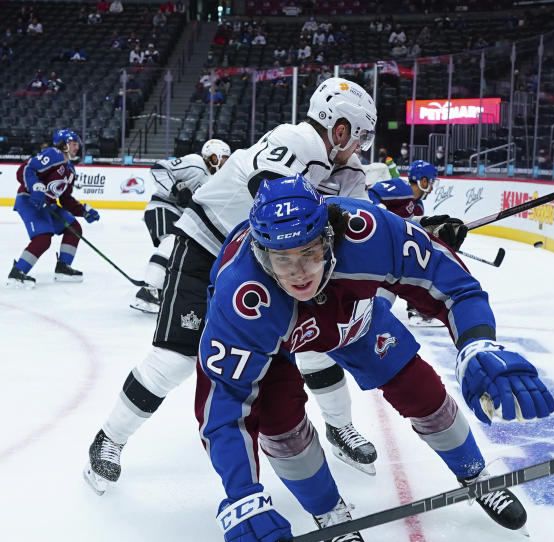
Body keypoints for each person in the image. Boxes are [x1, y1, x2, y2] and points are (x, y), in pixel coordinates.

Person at [199, 175, 554, 542]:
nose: (299, 274)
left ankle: (475, 472)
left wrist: (476, 343)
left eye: (310, 253)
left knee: (424, 394)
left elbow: (454, 286)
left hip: (354, 320)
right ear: (262, 256)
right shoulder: (240, 295)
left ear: (329, 237)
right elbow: (223, 407)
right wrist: (242, 496)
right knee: (281, 428)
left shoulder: (369, 230)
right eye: (283, 259)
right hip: (274, 344)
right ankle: (328, 511)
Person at [84, 78, 380, 494]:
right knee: (175, 358)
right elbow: (274, 199)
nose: (362, 146)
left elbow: (367, 228)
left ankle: (340, 428)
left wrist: (422, 233)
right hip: (209, 245)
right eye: (361, 135)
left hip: (270, 261)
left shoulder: (347, 170)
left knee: (315, 345)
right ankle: (109, 439)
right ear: (340, 128)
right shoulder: (296, 139)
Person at [130, 139, 231, 314]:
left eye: (226, 160)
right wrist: (175, 190)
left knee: (179, 249)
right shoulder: (196, 162)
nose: (223, 163)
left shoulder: (215, 179)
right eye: (221, 158)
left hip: (181, 216)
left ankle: (158, 287)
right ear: (211, 156)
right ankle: (148, 290)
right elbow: (159, 168)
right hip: (162, 206)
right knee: (171, 242)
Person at [367, 160, 467, 326]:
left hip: (388, 255)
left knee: (418, 258)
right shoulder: (402, 188)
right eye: (431, 182)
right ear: (423, 180)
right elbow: (372, 192)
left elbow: (407, 227)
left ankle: (416, 310)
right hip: (371, 245)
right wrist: (379, 210)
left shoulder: (418, 207)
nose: (432, 187)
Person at [7, 130, 100, 288]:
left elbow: (65, 200)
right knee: (43, 238)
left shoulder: (70, 170)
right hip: (29, 200)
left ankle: (63, 267)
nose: (77, 147)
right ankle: (17, 272)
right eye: (73, 143)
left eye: (77, 144)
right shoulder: (53, 154)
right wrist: (35, 188)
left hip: (48, 205)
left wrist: (83, 211)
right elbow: (24, 170)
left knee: (73, 227)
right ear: (63, 144)